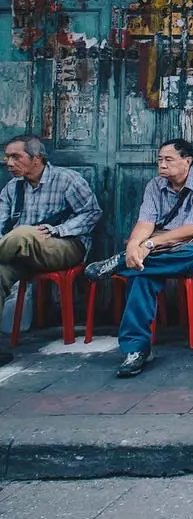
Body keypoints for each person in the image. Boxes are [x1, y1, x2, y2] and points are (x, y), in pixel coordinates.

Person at [85, 138, 193, 378]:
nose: (162, 165)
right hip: (160, 251)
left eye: (169, 160)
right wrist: (134, 247)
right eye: (160, 160)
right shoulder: (154, 186)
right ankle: (136, 350)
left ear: (187, 161)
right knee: (140, 273)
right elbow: (145, 222)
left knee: (182, 254)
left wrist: (147, 244)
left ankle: (117, 263)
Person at [0, 134, 102, 365]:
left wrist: (60, 229)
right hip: (19, 251)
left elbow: (93, 213)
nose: (9, 163)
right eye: (6, 158)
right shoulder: (12, 188)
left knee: (24, 233)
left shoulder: (67, 180)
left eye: (16, 157)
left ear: (37, 159)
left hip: (65, 246)